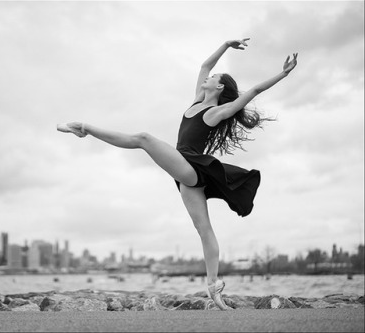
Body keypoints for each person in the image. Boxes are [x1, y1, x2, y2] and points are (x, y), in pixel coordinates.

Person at [57, 38, 298, 310]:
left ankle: (84, 127)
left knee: (143, 139)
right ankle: (213, 286)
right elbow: (206, 64)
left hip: (190, 166)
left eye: (214, 77)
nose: (208, 76)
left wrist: (284, 73)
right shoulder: (197, 99)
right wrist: (225, 45)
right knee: (204, 230)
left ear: (219, 86)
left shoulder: (217, 111)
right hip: (186, 174)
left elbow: (253, 90)